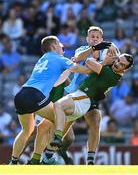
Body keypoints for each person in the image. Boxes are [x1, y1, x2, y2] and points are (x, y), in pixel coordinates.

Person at [9, 35, 111, 164]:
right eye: (60, 45)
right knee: (57, 119)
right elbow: (85, 70)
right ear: (53, 46)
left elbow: (58, 81)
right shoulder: (60, 59)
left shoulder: (43, 58)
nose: (62, 47)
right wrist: (103, 64)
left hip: (21, 94)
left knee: (27, 130)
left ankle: (13, 162)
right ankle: (45, 156)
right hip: (35, 95)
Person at [50, 53, 133, 153]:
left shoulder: (111, 74)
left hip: (85, 97)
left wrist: (105, 61)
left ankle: (58, 140)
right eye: (118, 60)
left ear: (125, 69)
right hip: (84, 97)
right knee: (63, 124)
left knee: (58, 106)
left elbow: (89, 61)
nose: (118, 64)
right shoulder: (109, 70)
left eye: (122, 65)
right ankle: (50, 153)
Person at [64, 26, 117, 165]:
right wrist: (95, 51)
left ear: (102, 39)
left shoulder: (107, 53)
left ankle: (91, 160)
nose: (94, 39)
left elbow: (111, 71)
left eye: (97, 37)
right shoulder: (82, 50)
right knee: (66, 129)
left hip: (92, 94)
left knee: (95, 122)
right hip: (76, 92)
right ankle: (50, 151)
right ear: (87, 39)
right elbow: (79, 59)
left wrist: (112, 49)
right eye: (92, 37)